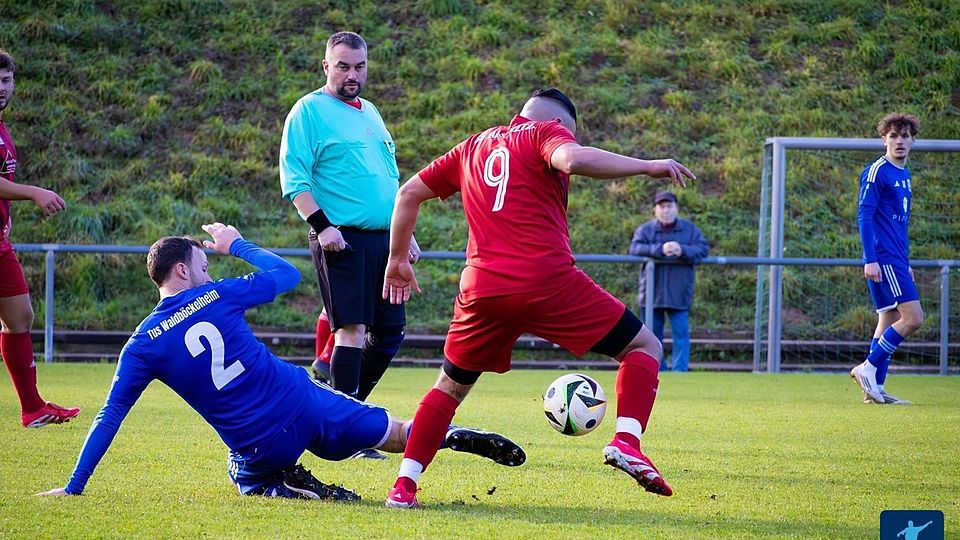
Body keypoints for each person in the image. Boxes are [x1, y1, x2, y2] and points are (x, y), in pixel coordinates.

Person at [36, 223, 525, 499]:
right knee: (397, 433)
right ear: (183, 271)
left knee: (242, 474)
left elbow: (109, 417)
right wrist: (237, 245)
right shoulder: (219, 297)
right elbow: (287, 274)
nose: (211, 274)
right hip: (304, 399)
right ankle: (449, 436)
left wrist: (73, 487)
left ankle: (286, 485)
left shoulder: (142, 345)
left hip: (259, 441)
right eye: (205, 267)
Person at [381, 88, 696, 509]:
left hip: (482, 289)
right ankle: (627, 441)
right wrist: (649, 166)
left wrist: (398, 258)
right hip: (545, 280)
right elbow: (575, 159)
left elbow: (406, 195)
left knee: (449, 388)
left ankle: (404, 487)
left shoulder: (471, 146)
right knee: (644, 345)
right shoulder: (545, 134)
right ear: (562, 126)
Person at [279, 31, 417, 423]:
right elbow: (295, 179)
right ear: (326, 66)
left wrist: (404, 236)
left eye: (359, 66)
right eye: (342, 66)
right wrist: (322, 227)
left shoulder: (370, 111)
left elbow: (388, 181)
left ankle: (340, 406)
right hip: (340, 239)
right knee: (352, 330)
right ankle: (344, 427)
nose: (351, 74)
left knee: (391, 332)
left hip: (384, 241)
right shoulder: (308, 111)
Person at [0, 48, 79, 428]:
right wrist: (33, 192)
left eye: (5, 80)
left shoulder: (2, 128)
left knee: (20, 318)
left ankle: (32, 408)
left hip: (0, 243)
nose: (1, 89)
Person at [850, 113, 923, 406]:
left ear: (912, 139)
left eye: (905, 136)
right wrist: (871, 258)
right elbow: (865, 216)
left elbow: (898, 224)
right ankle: (867, 367)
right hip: (882, 257)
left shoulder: (904, 174)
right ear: (884, 140)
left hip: (895, 258)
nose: (900, 141)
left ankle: (875, 389)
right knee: (913, 317)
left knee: (889, 318)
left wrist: (905, 261)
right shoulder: (876, 171)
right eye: (893, 136)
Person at [628, 191, 709, 372]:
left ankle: (680, 372)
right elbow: (634, 248)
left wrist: (682, 250)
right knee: (651, 338)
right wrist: (659, 249)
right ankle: (658, 370)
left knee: (681, 334)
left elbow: (703, 249)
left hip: (679, 292)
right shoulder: (645, 229)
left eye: (669, 206)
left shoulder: (690, 229)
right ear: (655, 210)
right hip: (652, 294)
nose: (666, 210)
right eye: (662, 206)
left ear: (676, 208)